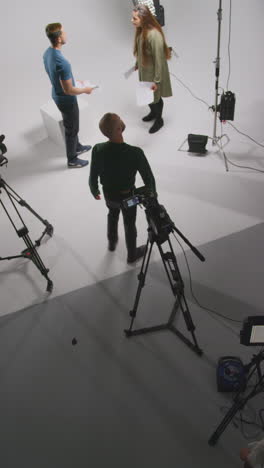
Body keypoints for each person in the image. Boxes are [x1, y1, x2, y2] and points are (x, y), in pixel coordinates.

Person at [89, 113, 156, 263]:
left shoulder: (98, 149)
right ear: (119, 129)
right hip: (128, 198)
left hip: (109, 196)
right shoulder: (135, 153)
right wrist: (153, 194)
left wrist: (94, 189)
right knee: (129, 224)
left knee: (112, 215)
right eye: (119, 119)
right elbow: (148, 178)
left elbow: (93, 174)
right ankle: (132, 254)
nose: (121, 118)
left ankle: (112, 243)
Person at [43, 23, 94, 168]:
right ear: (59, 38)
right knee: (72, 129)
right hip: (66, 99)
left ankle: (77, 146)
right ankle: (72, 159)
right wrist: (86, 89)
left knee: (71, 125)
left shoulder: (48, 53)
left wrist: (75, 82)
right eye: (64, 33)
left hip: (57, 94)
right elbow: (69, 90)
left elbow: (54, 76)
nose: (66, 34)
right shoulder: (63, 62)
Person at [131, 4, 172, 134]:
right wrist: (137, 62)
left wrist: (157, 81)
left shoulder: (154, 35)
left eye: (135, 18)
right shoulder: (141, 31)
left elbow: (159, 60)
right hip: (145, 71)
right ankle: (153, 113)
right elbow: (141, 51)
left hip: (155, 74)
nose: (132, 21)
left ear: (144, 18)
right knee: (147, 96)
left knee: (156, 97)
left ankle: (159, 119)